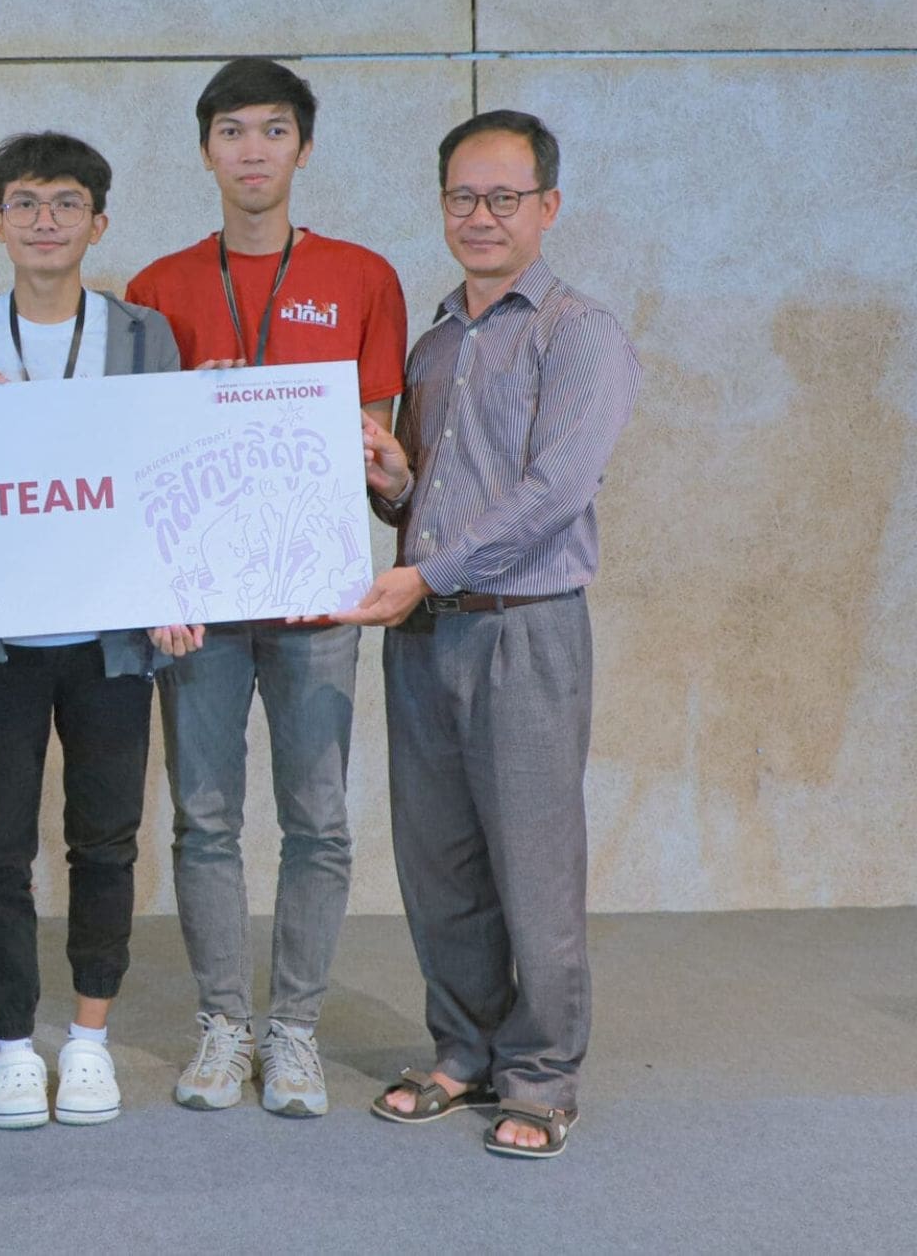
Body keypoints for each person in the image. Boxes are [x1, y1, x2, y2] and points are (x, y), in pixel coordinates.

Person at [337, 109, 639, 1159]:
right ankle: (460, 1052)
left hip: (524, 630)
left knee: (531, 860)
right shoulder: (431, 342)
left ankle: (542, 1074)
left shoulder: (577, 332)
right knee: (439, 860)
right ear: (440, 207)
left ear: (545, 207)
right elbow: (436, 498)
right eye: (461, 197)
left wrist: (421, 568)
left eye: (502, 197)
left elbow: (553, 493)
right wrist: (392, 486)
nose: (479, 216)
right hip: (424, 634)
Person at [125, 57, 408, 1116]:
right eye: (232, 132)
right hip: (197, 598)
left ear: (301, 147)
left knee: (316, 819)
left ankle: (291, 1029)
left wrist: (385, 468)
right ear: (205, 150)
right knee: (202, 819)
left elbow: (376, 439)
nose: (252, 151)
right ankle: (220, 1025)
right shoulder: (156, 287)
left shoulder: (361, 275)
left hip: (313, 596)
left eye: (272, 131)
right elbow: (135, 456)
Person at [0, 132, 179, 1130]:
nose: (43, 221)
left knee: (103, 840)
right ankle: (12, 1047)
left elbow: (164, 471)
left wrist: (170, 593)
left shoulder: (140, 334)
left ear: (97, 223)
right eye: (23, 202)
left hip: (111, 636)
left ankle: (90, 1040)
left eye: (65, 203)